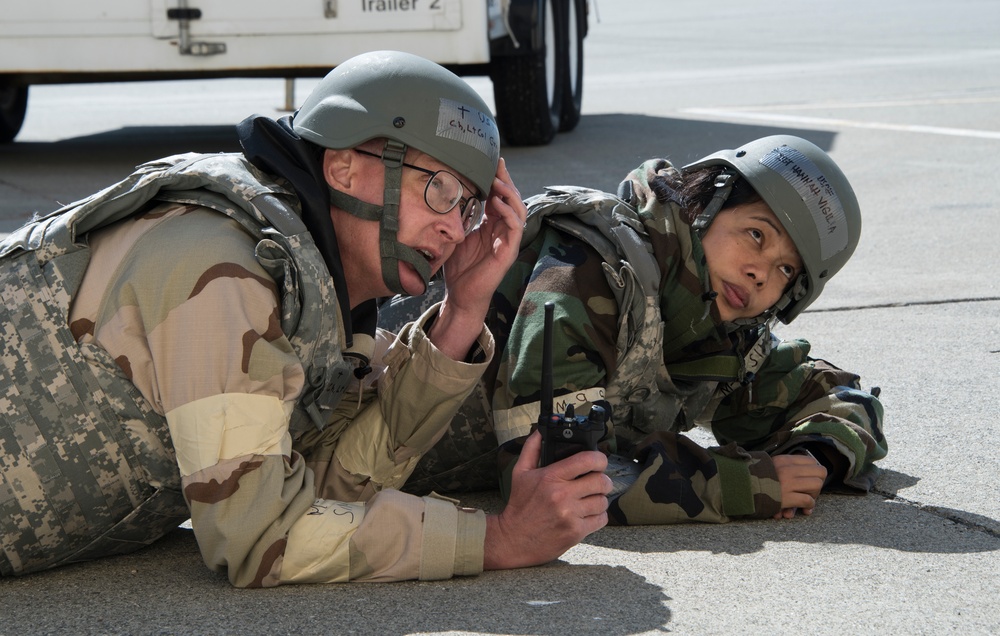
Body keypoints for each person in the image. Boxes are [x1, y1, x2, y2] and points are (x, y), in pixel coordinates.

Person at [0, 50, 612, 585]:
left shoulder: (326, 298)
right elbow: (261, 535)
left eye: (469, 206)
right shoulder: (219, 264)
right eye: (440, 190)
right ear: (343, 167)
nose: (455, 226)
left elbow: (330, 487)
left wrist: (461, 313)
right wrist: (498, 539)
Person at [387, 134, 887, 524]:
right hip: (352, 443)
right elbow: (555, 476)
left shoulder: (715, 331)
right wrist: (744, 484)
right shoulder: (586, 272)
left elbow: (838, 396)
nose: (761, 272)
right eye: (756, 235)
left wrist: (814, 458)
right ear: (706, 208)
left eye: (785, 271)